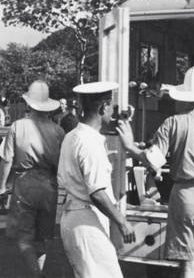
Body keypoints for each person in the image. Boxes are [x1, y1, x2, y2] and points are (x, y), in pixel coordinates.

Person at [117, 66, 194, 278]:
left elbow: (153, 160)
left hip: (184, 196)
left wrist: (130, 147)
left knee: (188, 266)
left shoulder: (172, 123)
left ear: (183, 96)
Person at [58, 81, 135, 278]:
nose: (113, 111)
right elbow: (97, 193)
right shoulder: (90, 143)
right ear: (103, 107)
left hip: (72, 217)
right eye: (111, 106)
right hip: (86, 219)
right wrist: (122, 221)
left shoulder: (72, 136)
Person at [0, 81, 65, 278]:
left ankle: (36, 275)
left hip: (25, 183)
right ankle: (39, 271)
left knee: (24, 236)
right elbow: (61, 163)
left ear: (28, 104)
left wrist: (2, 188)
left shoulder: (18, 126)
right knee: (42, 236)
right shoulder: (58, 131)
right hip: (50, 185)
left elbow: (7, 160)